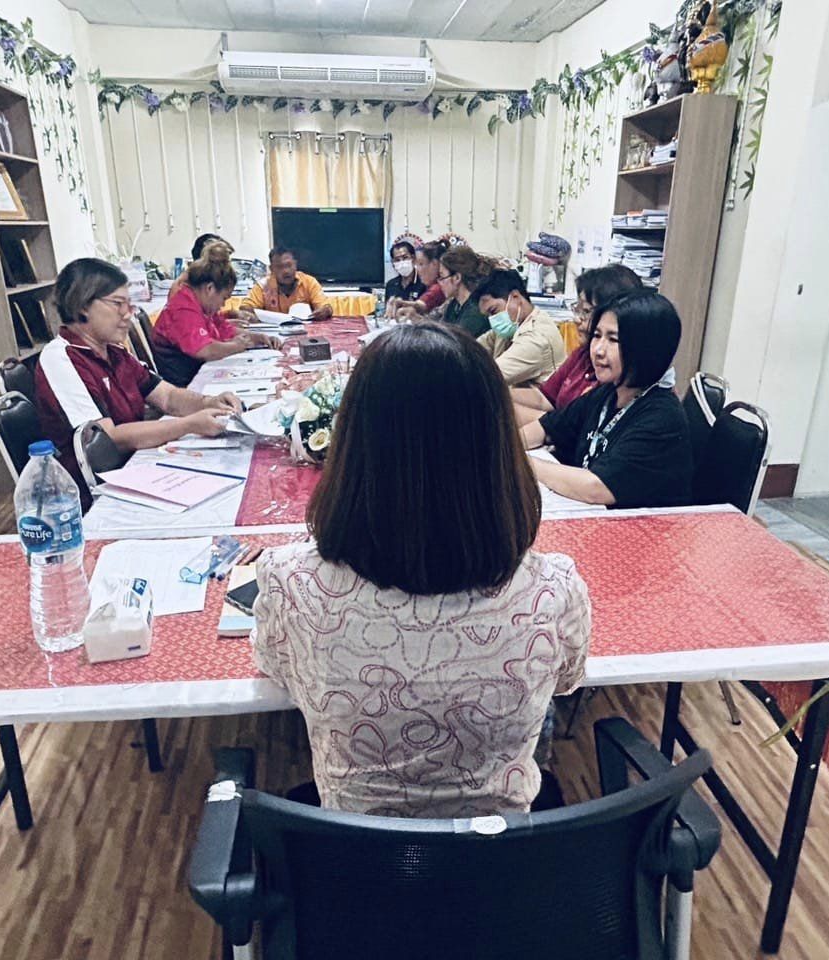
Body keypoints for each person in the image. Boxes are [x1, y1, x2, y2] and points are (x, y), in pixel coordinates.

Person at [253, 322, 592, 818]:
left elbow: (277, 670)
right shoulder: (553, 589)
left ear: (351, 445)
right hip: (500, 853)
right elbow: (567, 681)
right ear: (499, 449)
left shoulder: (291, 582)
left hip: (355, 848)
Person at [35, 258, 245, 500]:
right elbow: (108, 439)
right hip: (94, 495)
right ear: (82, 305)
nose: (128, 314)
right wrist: (189, 425)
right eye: (118, 304)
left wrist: (209, 402)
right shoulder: (61, 358)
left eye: (129, 304)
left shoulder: (114, 351)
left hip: (135, 468)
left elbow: (167, 396)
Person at [519, 289, 691, 508]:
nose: (598, 350)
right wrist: (505, 449)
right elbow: (545, 427)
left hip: (641, 526)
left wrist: (522, 463)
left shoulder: (662, 417)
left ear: (648, 348)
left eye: (613, 339)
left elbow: (597, 488)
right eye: (597, 336)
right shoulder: (608, 392)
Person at [511, 264, 643, 426]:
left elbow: (573, 429)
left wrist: (504, 408)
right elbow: (545, 398)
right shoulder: (583, 354)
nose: (576, 319)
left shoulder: (614, 370)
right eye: (577, 309)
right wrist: (499, 395)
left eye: (586, 312)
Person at [151, 241, 280, 386]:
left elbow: (224, 329)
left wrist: (257, 338)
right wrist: (236, 346)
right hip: (183, 385)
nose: (223, 305)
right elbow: (205, 350)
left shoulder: (201, 304)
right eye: (224, 298)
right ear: (210, 289)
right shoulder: (183, 309)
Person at [474, 268, 567, 387]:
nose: (493, 320)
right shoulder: (512, 325)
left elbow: (489, 377)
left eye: (493, 311)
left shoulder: (536, 338)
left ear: (515, 296)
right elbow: (472, 349)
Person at [244, 245, 333, 320]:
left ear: (295, 264)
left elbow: (325, 307)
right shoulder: (263, 286)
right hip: (274, 332)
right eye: (280, 267)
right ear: (271, 269)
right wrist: (248, 312)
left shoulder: (309, 282)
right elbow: (246, 308)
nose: (286, 271)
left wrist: (325, 311)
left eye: (289, 265)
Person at [435, 244, 493, 337]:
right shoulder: (454, 305)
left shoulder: (476, 312)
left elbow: (453, 342)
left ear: (457, 277)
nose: (439, 283)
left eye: (441, 277)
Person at [390, 240, 448, 319]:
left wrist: (401, 303)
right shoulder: (431, 285)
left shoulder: (439, 287)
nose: (417, 269)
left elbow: (420, 305)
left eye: (421, 264)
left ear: (434, 264)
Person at [384, 239, 426, 304]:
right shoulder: (391, 285)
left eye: (405, 257)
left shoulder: (424, 282)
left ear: (413, 258)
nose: (402, 262)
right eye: (397, 260)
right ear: (393, 263)